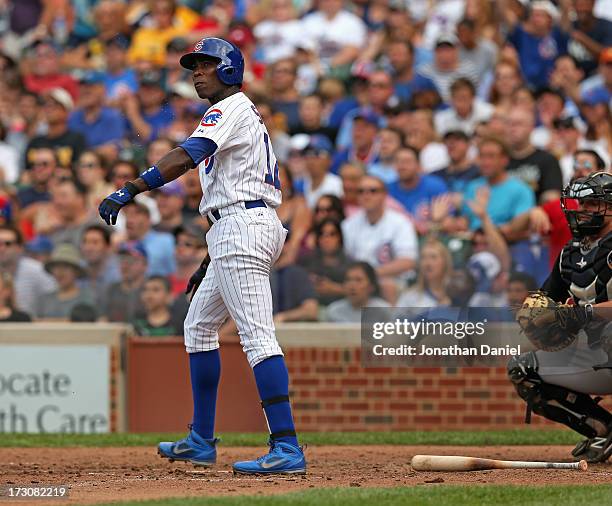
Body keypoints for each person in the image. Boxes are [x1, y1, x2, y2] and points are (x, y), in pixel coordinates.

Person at [98, 38, 306, 474]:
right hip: (236, 225)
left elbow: (186, 157)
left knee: (257, 337)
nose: (197, 72)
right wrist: (209, 259)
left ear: (229, 70)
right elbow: (235, 187)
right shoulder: (237, 113)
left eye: (207, 64)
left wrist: (131, 189)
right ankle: (201, 440)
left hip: (243, 226)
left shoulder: (229, 108)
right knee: (199, 326)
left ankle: (286, 446)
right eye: (193, 65)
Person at [508, 171, 612, 464]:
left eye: (593, 203)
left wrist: (583, 312)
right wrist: (536, 317)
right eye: (582, 204)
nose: (584, 211)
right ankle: (602, 430)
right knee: (523, 369)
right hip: (594, 356)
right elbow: (547, 298)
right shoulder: (570, 252)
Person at [342, 175, 418, 303]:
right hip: (358, 283)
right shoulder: (349, 224)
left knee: (387, 285)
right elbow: (344, 258)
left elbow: (408, 261)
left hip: (393, 281)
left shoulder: (400, 222)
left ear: (384, 195)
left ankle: (393, 323)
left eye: (373, 191)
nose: (366, 195)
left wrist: (369, 275)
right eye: (361, 191)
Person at [506, 107, 563, 204]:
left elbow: (552, 198)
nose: (513, 128)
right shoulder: (500, 161)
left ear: (531, 127)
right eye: (509, 124)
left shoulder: (547, 160)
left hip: (537, 215)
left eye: (518, 124)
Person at [0, 224, 56, 312]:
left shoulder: (37, 270)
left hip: (32, 323)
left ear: (20, 248)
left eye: (8, 244)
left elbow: (54, 297)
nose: (2, 248)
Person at [299, 218, 352, 306]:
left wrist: (335, 289)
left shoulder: (350, 264)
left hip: (342, 309)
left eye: (332, 234)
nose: (326, 239)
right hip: (313, 309)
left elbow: (361, 291)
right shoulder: (306, 261)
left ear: (340, 238)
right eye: (322, 234)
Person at [35, 243, 95, 320]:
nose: (60, 272)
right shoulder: (44, 300)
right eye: (56, 267)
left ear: (76, 271)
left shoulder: (88, 298)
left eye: (65, 267)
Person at [395, 239, 453, 318]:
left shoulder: (457, 293)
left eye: (433, 257)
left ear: (444, 262)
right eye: (423, 258)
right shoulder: (409, 296)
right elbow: (396, 325)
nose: (428, 263)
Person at [325, 262, 391, 323]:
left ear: (371, 286)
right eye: (348, 280)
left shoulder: (383, 310)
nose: (352, 285)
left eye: (358, 280)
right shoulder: (334, 311)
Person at [104, 242, 148, 323]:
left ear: (145, 265)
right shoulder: (112, 290)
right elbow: (104, 319)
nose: (125, 265)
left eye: (131, 260)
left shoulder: (150, 290)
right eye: (122, 259)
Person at [301, 135, 344, 209]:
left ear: (329, 160)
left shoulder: (337, 184)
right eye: (308, 154)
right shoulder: (300, 183)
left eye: (317, 154)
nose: (311, 159)